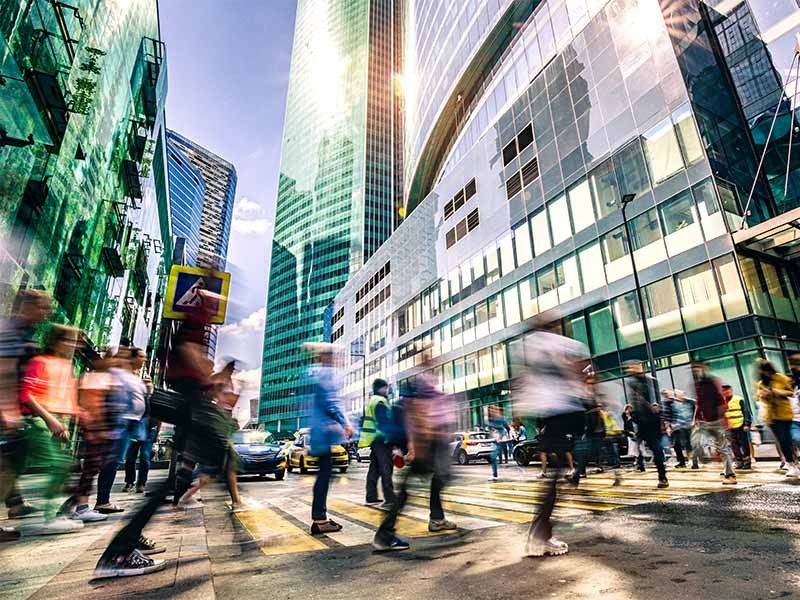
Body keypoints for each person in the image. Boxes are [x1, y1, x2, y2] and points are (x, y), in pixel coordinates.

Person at [93, 302, 215, 578]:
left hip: (190, 404)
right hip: (190, 404)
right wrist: (207, 377)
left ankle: (129, 540)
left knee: (181, 475)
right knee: (181, 475)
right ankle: (120, 551)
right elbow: (186, 353)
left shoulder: (195, 319)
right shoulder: (196, 318)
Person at [511, 319, 589, 557]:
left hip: (547, 414)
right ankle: (540, 535)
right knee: (557, 473)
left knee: (558, 471)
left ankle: (541, 532)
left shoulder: (528, 345)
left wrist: (520, 411)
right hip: (564, 411)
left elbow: (523, 380)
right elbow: (574, 372)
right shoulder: (562, 344)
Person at [374, 347, 457, 551]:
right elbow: (416, 416)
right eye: (429, 357)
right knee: (416, 486)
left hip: (430, 442)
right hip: (428, 443)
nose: (434, 360)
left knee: (435, 480)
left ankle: (434, 519)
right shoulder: (423, 384)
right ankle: (385, 534)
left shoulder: (428, 384)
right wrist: (416, 445)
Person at [19, 325, 84, 533]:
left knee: (15, 469)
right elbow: (27, 395)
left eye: (74, 341)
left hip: (55, 423)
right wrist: (50, 420)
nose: (73, 345)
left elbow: (65, 400)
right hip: (38, 420)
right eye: (68, 340)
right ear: (55, 341)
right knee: (61, 463)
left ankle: (51, 516)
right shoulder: (40, 362)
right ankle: (50, 518)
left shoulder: (67, 366)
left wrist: (72, 418)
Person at [0, 289, 51, 523]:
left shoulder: (24, 332)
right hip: (6, 409)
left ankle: (16, 503)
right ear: (27, 306)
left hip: (12, 408)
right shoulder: (11, 331)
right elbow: (5, 370)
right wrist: (8, 409)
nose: (46, 312)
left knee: (8, 462)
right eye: (42, 307)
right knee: (8, 464)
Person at [306, 343, 352, 535]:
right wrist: (345, 423)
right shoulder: (326, 375)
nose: (334, 359)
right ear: (324, 357)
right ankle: (319, 519)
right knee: (324, 475)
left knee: (324, 475)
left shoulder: (314, 374)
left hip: (319, 433)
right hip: (323, 433)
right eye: (331, 356)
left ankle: (320, 517)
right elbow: (331, 403)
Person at [96, 347, 149, 513]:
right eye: (141, 357)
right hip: (119, 422)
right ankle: (101, 501)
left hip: (132, 424)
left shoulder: (134, 377)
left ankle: (102, 500)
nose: (144, 360)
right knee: (111, 460)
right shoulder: (116, 374)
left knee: (116, 460)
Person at [690, 360, 737, 484]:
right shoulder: (697, 383)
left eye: (697, 367)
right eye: (693, 368)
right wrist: (695, 419)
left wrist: (722, 420)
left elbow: (721, 401)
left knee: (723, 448)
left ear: (705, 367)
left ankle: (730, 475)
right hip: (704, 422)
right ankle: (706, 458)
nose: (695, 370)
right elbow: (698, 403)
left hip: (717, 421)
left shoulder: (712, 381)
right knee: (696, 442)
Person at [623, 360, 668, 488]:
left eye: (631, 367)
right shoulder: (632, 383)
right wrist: (633, 413)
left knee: (655, 448)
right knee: (638, 445)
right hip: (641, 422)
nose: (629, 370)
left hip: (651, 421)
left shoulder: (649, 381)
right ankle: (641, 465)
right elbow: (635, 402)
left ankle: (662, 476)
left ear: (639, 367)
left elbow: (656, 401)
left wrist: (656, 410)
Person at [756, 359, 798, 479]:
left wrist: (778, 392)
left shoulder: (780, 378)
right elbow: (760, 398)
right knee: (782, 440)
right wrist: (764, 396)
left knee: (787, 439)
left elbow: (791, 392)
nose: (767, 374)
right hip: (771, 417)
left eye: (768, 371)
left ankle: (793, 461)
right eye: (764, 372)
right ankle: (791, 465)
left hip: (784, 414)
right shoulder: (761, 383)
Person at [360, 378, 395, 508]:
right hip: (382, 439)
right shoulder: (380, 402)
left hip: (374, 439)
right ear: (380, 388)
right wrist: (392, 437)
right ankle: (390, 499)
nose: (386, 390)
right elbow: (384, 422)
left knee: (374, 469)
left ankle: (371, 497)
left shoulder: (372, 400)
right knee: (386, 468)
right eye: (385, 388)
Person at [124, 376, 156, 494]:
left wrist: (156, 434)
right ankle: (129, 482)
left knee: (145, 457)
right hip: (135, 431)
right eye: (145, 382)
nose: (147, 385)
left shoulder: (155, 399)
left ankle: (142, 483)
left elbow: (159, 418)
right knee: (130, 457)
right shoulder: (137, 397)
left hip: (149, 432)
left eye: (149, 382)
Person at [664, 389, 695, 469]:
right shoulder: (670, 403)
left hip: (684, 426)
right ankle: (683, 462)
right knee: (677, 444)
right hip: (677, 427)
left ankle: (691, 460)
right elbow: (668, 416)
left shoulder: (686, 402)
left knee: (688, 443)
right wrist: (668, 426)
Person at [722, 384, 751, 470]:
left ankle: (747, 461)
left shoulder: (738, 399)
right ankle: (739, 461)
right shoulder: (722, 401)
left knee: (744, 444)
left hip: (740, 425)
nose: (726, 392)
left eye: (728, 390)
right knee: (734, 445)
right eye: (724, 391)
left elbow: (746, 412)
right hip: (729, 427)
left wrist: (747, 424)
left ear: (731, 390)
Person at [622, 404, 645, 472]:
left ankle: (640, 464)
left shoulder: (635, 417)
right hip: (631, 436)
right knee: (635, 451)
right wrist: (629, 433)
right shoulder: (626, 419)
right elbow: (626, 428)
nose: (629, 411)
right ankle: (638, 463)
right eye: (627, 409)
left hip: (638, 435)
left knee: (639, 450)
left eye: (630, 409)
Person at [488, 405, 507, 481]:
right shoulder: (491, 419)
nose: (491, 412)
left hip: (500, 440)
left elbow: (505, 428)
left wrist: (501, 436)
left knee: (493, 456)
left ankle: (495, 475)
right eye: (490, 411)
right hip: (495, 440)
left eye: (492, 410)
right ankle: (495, 475)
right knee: (493, 457)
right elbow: (491, 429)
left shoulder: (501, 419)